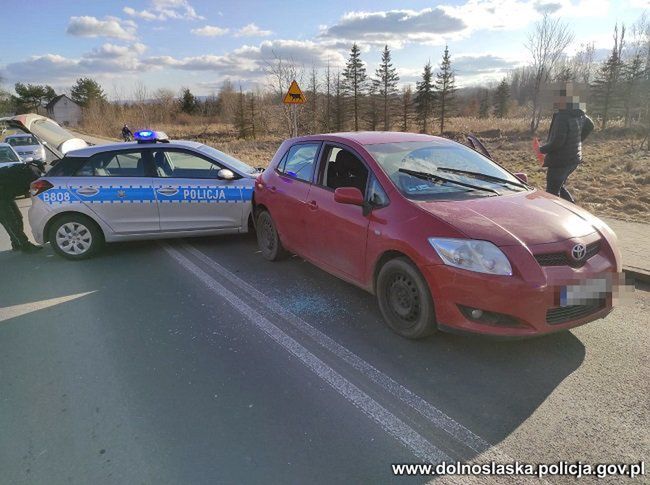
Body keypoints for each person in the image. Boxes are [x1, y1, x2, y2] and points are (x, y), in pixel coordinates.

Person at [538, 85, 594, 203]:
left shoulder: (562, 116)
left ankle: (560, 214)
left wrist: (541, 149)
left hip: (560, 160)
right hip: (573, 159)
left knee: (552, 193)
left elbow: (557, 142)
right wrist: (577, 140)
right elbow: (590, 125)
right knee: (559, 186)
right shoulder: (580, 113)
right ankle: (572, 209)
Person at [0, 162, 42, 253]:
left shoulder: (27, 170)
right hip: (2, 196)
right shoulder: (31, 174)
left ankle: (16, 243)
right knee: (11, 221)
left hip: (5, 195)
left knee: (18, 218)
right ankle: (25, 245)